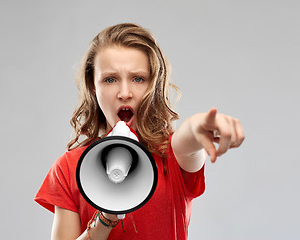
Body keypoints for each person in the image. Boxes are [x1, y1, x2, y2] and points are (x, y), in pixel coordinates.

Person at [35, 23, 245, 240]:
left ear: (153, 85)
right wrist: (107, 216)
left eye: (138, 79)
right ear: (92, 86)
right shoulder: (67, 169)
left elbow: (188, 138)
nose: (124, 93)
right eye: (110, 79)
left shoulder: (172, 154)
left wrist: (198, 126)